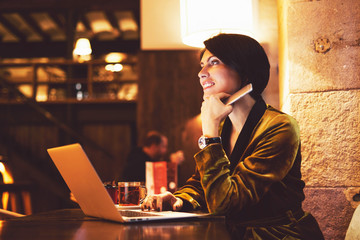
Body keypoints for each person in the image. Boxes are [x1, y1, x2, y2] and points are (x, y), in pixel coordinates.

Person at [141, 34, 324, 239]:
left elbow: (225, 202)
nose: (201, 73)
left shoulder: (279, 127)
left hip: (277, 234)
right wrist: (178, 199)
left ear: (244, 71)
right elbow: (202, 183)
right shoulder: (223, 128)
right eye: (202, 65)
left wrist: (209, 131)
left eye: (214, 62)